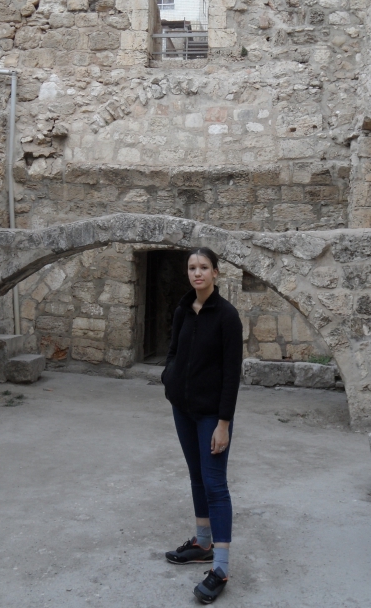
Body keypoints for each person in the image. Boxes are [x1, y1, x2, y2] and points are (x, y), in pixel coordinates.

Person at [161, 247, 243, 604]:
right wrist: (169, 378)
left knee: (215, 485)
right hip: (182, 409)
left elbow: (231, 375)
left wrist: (223, 423)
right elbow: (174, 351)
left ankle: (221, 568)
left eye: (204, 267)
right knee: (196, 476)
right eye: (192, 267)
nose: (197, 273)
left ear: (216, 273)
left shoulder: (227, 316)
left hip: (212, 415)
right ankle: (203, 544)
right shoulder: (183, 309)